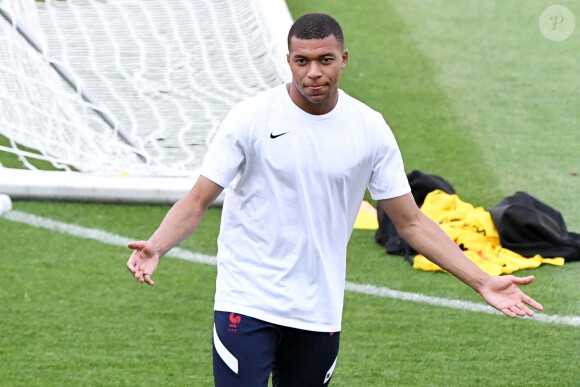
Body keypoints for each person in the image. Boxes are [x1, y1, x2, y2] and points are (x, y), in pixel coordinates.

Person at [127, 13, 543, 386]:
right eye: (302, 61)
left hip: (318, 307)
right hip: (247, 297)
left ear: (343, 59)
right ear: (288, 61)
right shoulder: (250, 117)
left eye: (324, 60)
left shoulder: (370, 129)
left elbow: (411, 222)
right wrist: (157, 245)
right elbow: (199, 199)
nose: (313, 73)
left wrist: (483, 281)